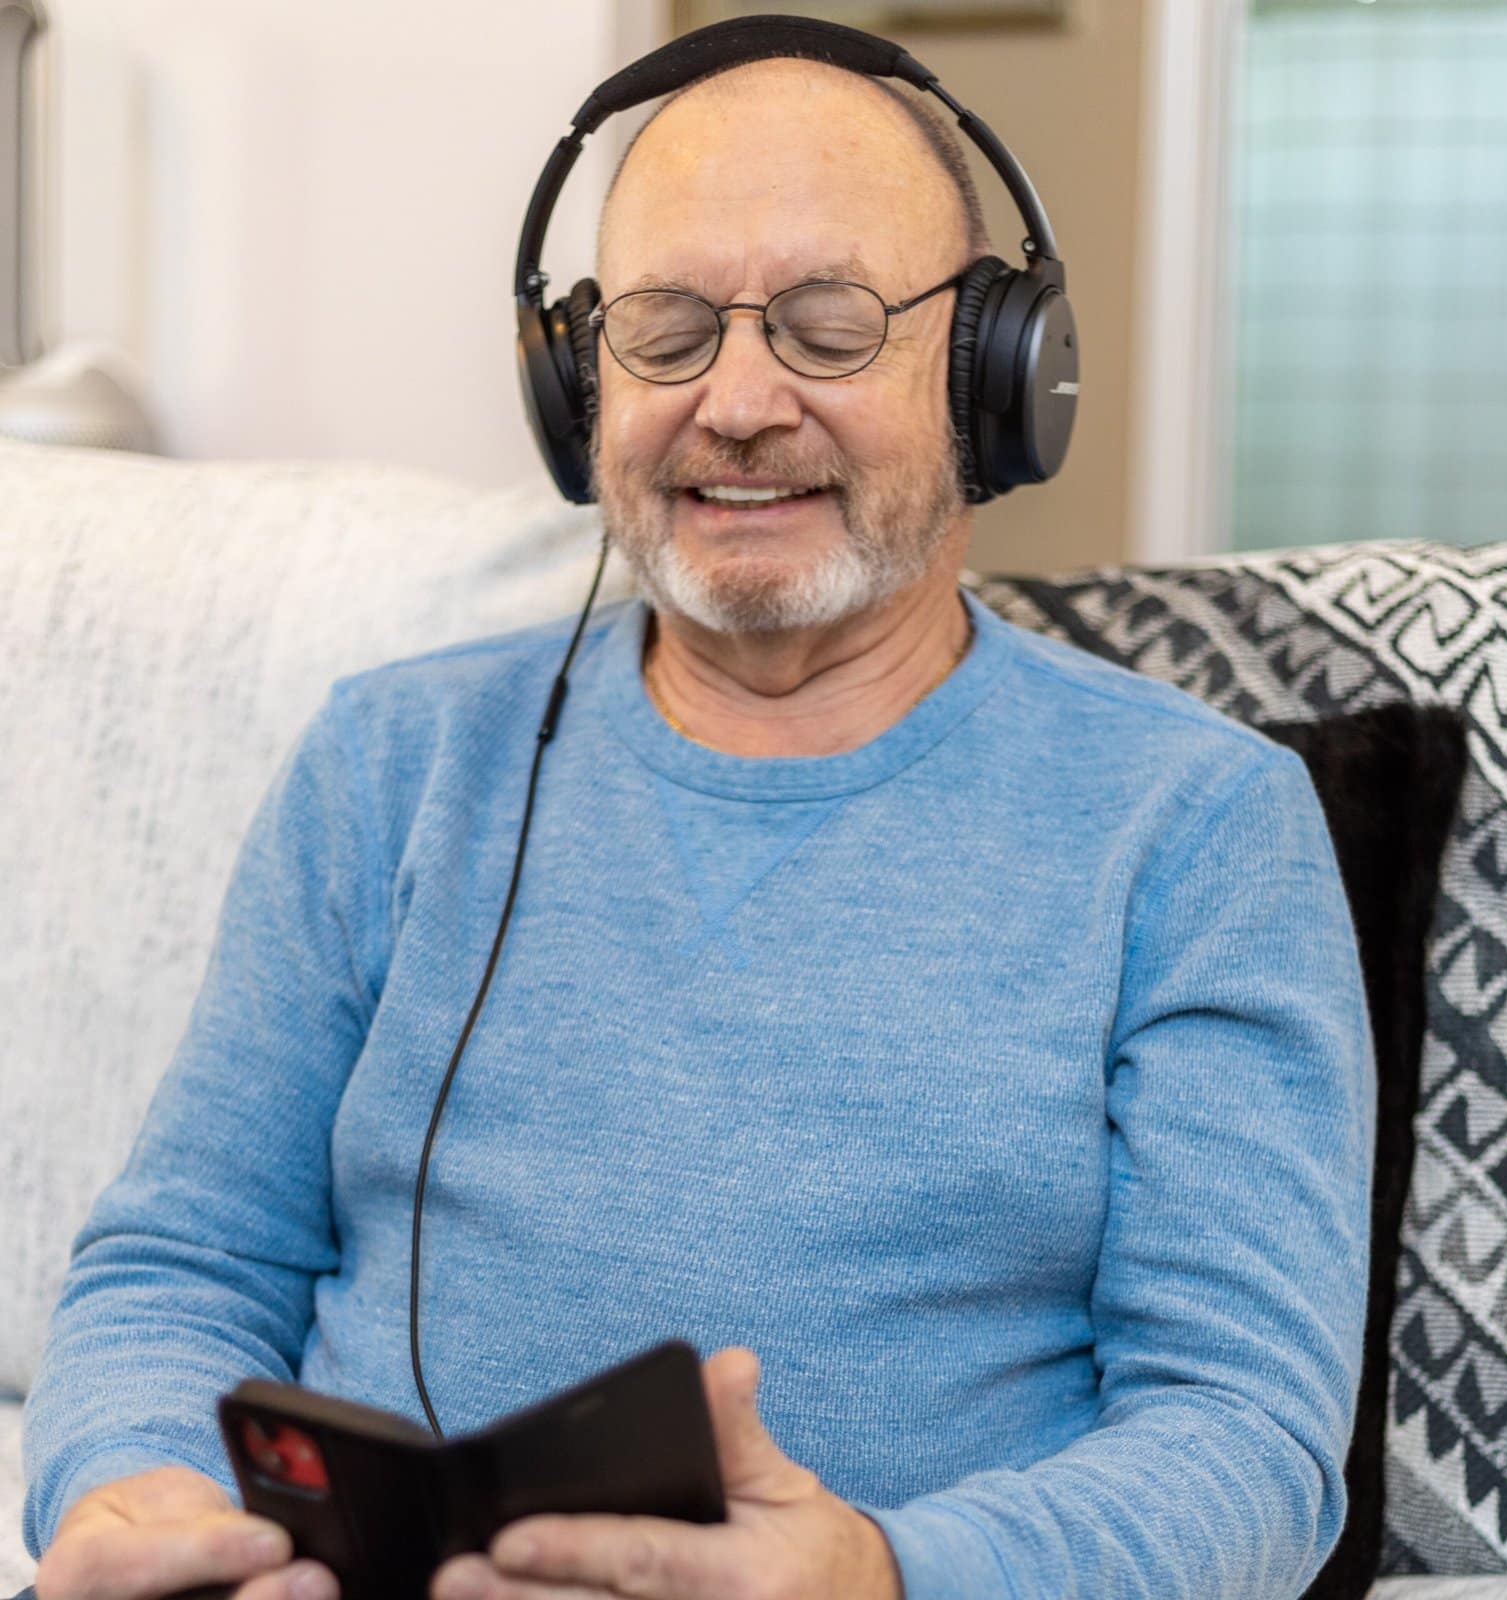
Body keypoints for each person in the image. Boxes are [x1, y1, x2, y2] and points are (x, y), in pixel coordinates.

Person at [20, 46, 1375, 1600]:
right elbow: (179, 1268)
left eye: (830, 323)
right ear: (579, 385)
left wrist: (884, 1576)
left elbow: (1244, 1438)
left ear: (996, 371)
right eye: (666, 332)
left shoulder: (1201, 825)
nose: (737, 405)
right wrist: (139, 1491)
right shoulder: (387, 763)